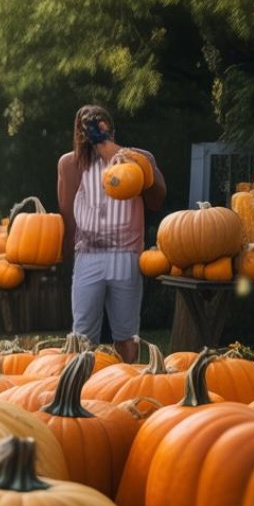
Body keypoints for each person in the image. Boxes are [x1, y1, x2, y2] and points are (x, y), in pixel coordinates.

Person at [57, 105, 166, 363]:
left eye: (103, 131)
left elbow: (156, 199)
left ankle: (127, 382)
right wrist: (65, 258)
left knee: (126, 333)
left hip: (126, 255)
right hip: (88, 254)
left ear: (113, 131)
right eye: (90, 131)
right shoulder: (70, 164)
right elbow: (67, 215)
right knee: (82, 334)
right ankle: (81, 384)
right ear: (78, 134)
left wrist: (118, 153)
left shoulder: (138, 159)